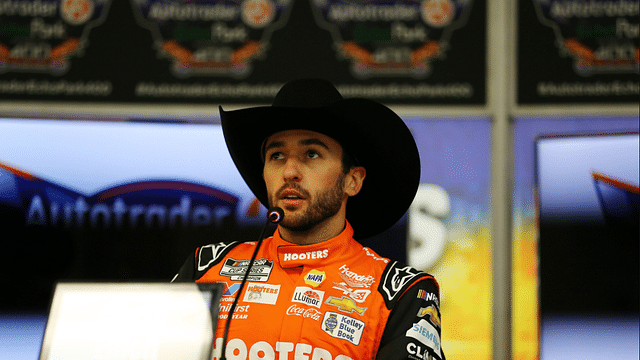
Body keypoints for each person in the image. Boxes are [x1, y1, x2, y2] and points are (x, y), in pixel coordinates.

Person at [172, 79, 445, 360]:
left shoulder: (401, 292)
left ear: (352, 180)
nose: (289, 171)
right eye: (276, 155)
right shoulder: (206, 267)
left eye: (311, 154)